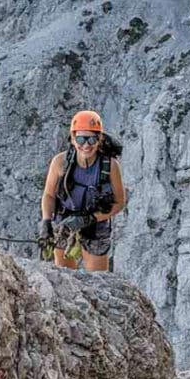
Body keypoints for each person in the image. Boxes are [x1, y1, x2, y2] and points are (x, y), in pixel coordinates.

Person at [39, 110, 126, 271]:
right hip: (65, 221)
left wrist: (90, 218)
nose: (86, 145)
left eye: (92, 139)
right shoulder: (60, 162)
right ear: (72, 139)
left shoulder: (110, 166)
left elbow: (119, 202)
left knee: (98, 280)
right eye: (81, 139)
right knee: (65, 276)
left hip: (96, 224)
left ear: (99, 140)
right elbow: (49, 195)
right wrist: (46, 221)